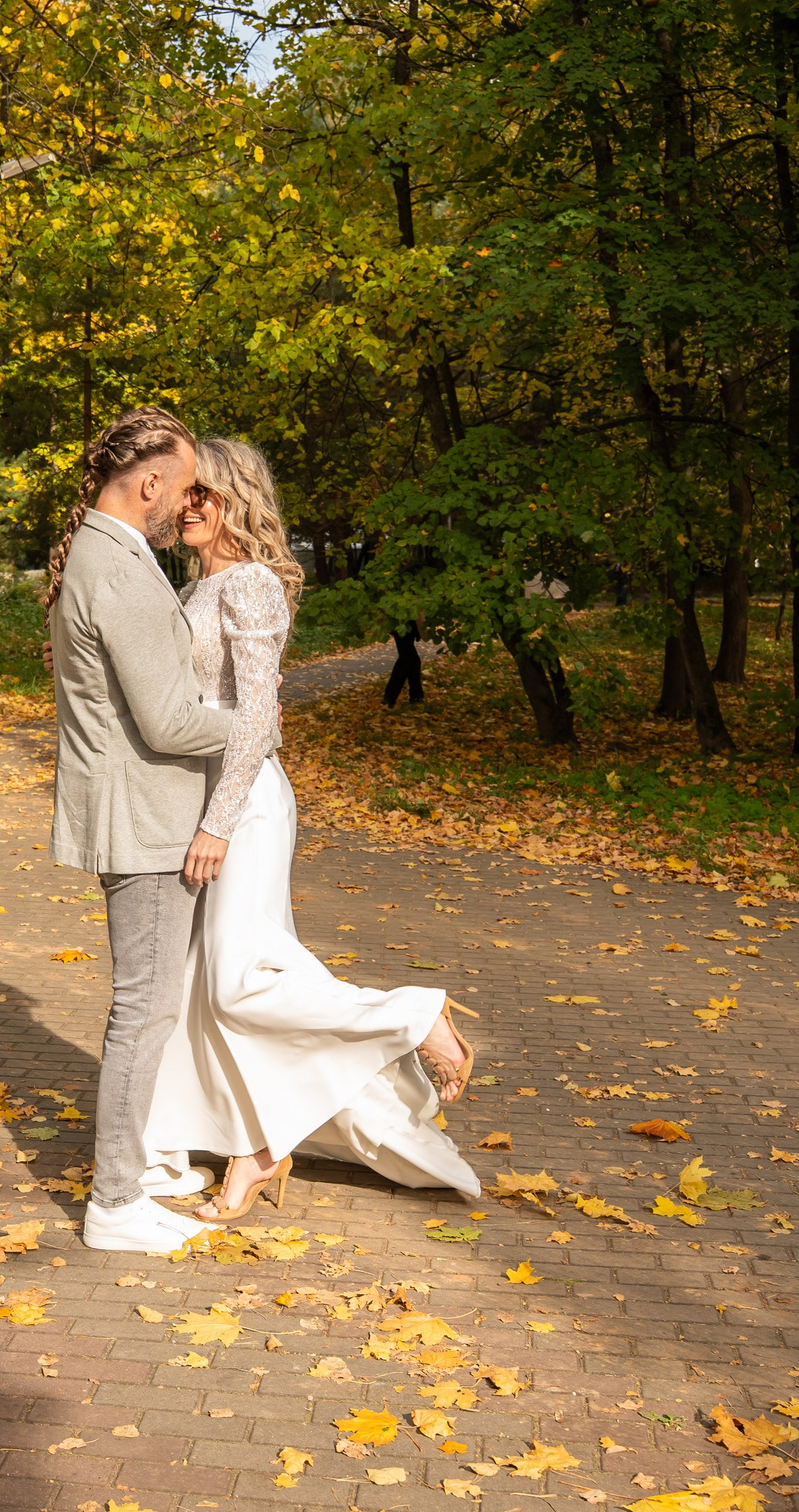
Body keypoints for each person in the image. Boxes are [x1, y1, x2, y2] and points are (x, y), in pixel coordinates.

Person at [143, 438, 481, 1221]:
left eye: (205, 493)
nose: (189, 505)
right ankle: (252, 1147)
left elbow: (257, 715)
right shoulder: (196, 586)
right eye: (186, 493)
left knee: (238, 980)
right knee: (207, 991)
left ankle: (414, 1016)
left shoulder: (252, 583)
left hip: (243, 802)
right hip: (198, 799)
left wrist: (219, 820)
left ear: (238, 498)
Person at [45, 408, 242, 1254]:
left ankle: (141, 1167)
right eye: (185, 486)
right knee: (144, 1010)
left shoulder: (108, 553)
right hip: (147, 819)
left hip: (140, 811)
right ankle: (115, 1201)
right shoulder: (120, 569)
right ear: (150, 483)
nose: (188, 504)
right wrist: (254, 723)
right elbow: (167, 721)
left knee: (150, 1005)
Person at [383, 620, 425, 707]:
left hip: (401, 620)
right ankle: (389, 697)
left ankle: (416, 695)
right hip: (406, 620)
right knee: (406, 659)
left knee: (412, 659)